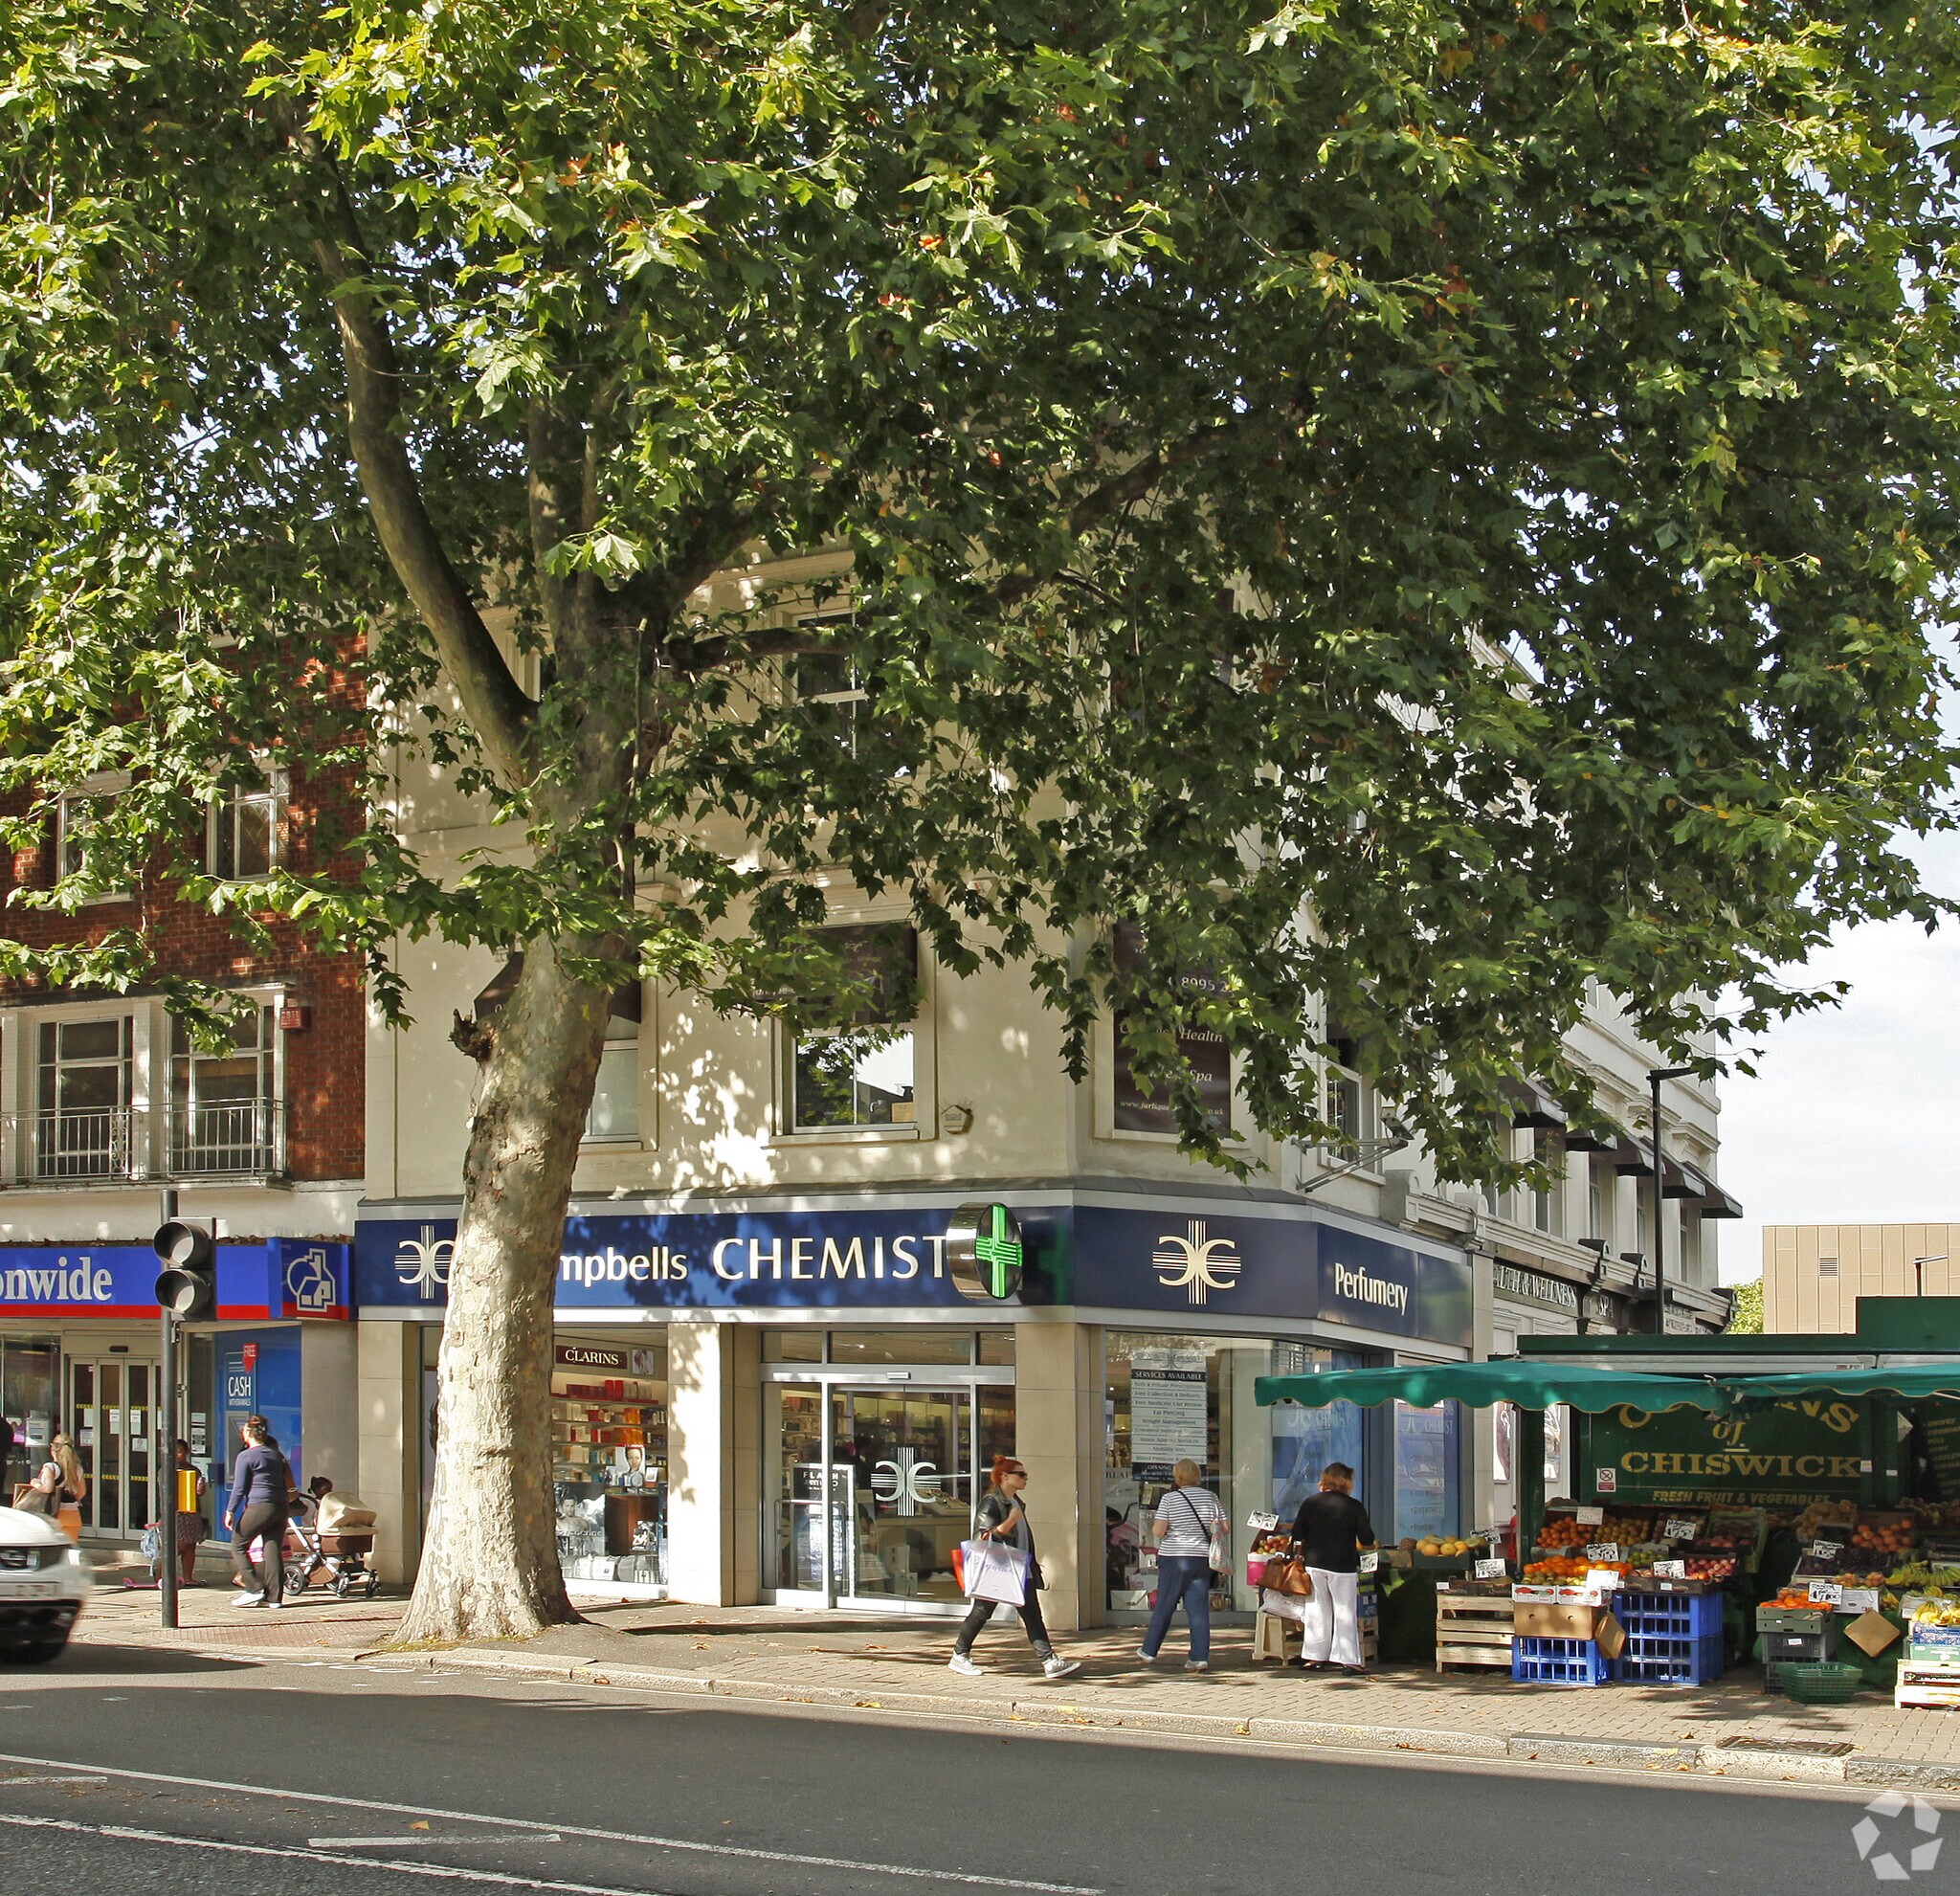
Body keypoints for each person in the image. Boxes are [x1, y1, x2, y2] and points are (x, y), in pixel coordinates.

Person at [948, 1457, 1080, 1681]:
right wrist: (1009, 1521)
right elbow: (982, 1537)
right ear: (1004, 1476)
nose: (1025, 1478)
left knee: (1032, 1614)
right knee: (982, 1611)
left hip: (1018, 1568)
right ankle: (959, 1655)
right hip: (998, 1568)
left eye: (1025, 1474)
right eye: (1021, 1474)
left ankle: (1048, 1660)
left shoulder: (1015, 1501)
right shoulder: (992, 1502)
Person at [1286, 1461, 1376, 1674]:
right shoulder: (1354, 1506)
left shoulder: (1310, 1503)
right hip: (1342, 1564)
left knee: (1317, 1610)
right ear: (1347, 1482)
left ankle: (1314, 1658)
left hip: (1315, 1563)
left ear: (1325, 1480)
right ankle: (1348, 1661)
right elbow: (1367, 1538)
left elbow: (1297, 1534)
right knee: (1345, 1611)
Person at [1139, 1459, 1227, 1672]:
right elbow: (1224, 1527)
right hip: (1203, 1558)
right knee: (1198, 1610)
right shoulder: (1211, 1497)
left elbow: (1158, 1531)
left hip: (1175, 1558)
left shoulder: (1170, 1499)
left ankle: (1149, 1650)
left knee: (1166, 1604)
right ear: (1197, 1475)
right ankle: (1199, 1657)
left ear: (1177, 1477)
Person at [223, 1416, 294, 1608]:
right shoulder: (275, 1454)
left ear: (247, 1434)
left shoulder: (246, 1456)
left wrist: (230, 1511)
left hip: (259, 1505)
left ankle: (254, 1588)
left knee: (238, 1544)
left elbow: (239, 1488)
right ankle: (274, 1598)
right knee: (272, 1549)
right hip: (280, 1506)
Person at [167, 1440, 209, 1586]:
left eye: (181, 1451)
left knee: (191, 1545)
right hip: (176, 1513)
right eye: (176, 1451)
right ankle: (164, 1573)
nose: (179, 1455)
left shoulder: (194, 1470)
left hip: (191, 1512)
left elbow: (200, 1493)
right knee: (179, 1545)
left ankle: (188, 1577)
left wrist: (200, 1488)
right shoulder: (166, 1470)